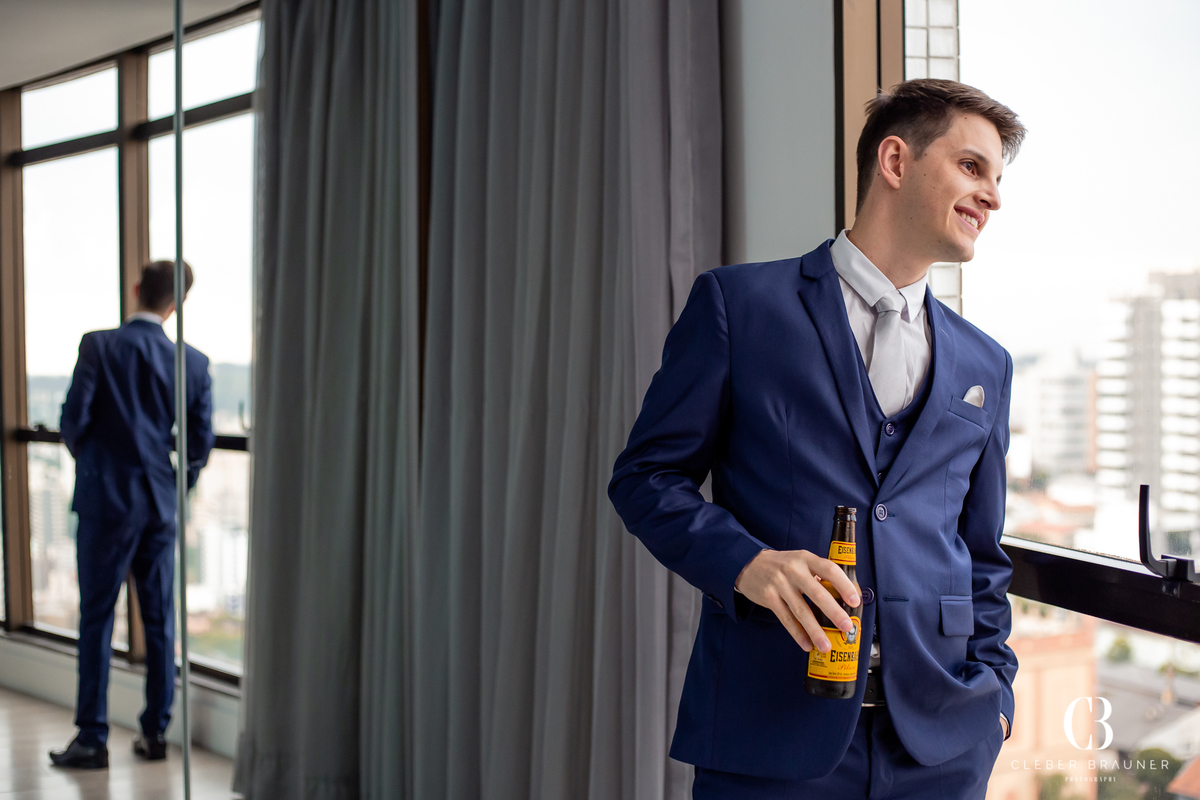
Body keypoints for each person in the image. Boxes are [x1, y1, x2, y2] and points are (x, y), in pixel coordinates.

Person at [608, 79, 1026, 799]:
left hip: (941, 749)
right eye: (971, 167)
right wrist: (746, 564)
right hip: (768, 738)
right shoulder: (740, 307)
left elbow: (982, 552)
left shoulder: (985, 363)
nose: (993, 196)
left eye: (997, 178)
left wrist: (997, 702)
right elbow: (645, 477)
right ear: (895, 161)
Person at [49, 260, 215, 769]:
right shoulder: (194, 363)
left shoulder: (99, 345)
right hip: (160, 504)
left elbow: (73, 421)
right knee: (160, 621)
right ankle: (155, 734)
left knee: (98, 617)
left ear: (138, 288)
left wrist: (97, 463)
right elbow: (199, 444)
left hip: (107, 500)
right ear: (176, 303)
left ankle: (93, 738)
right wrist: (173, 484)